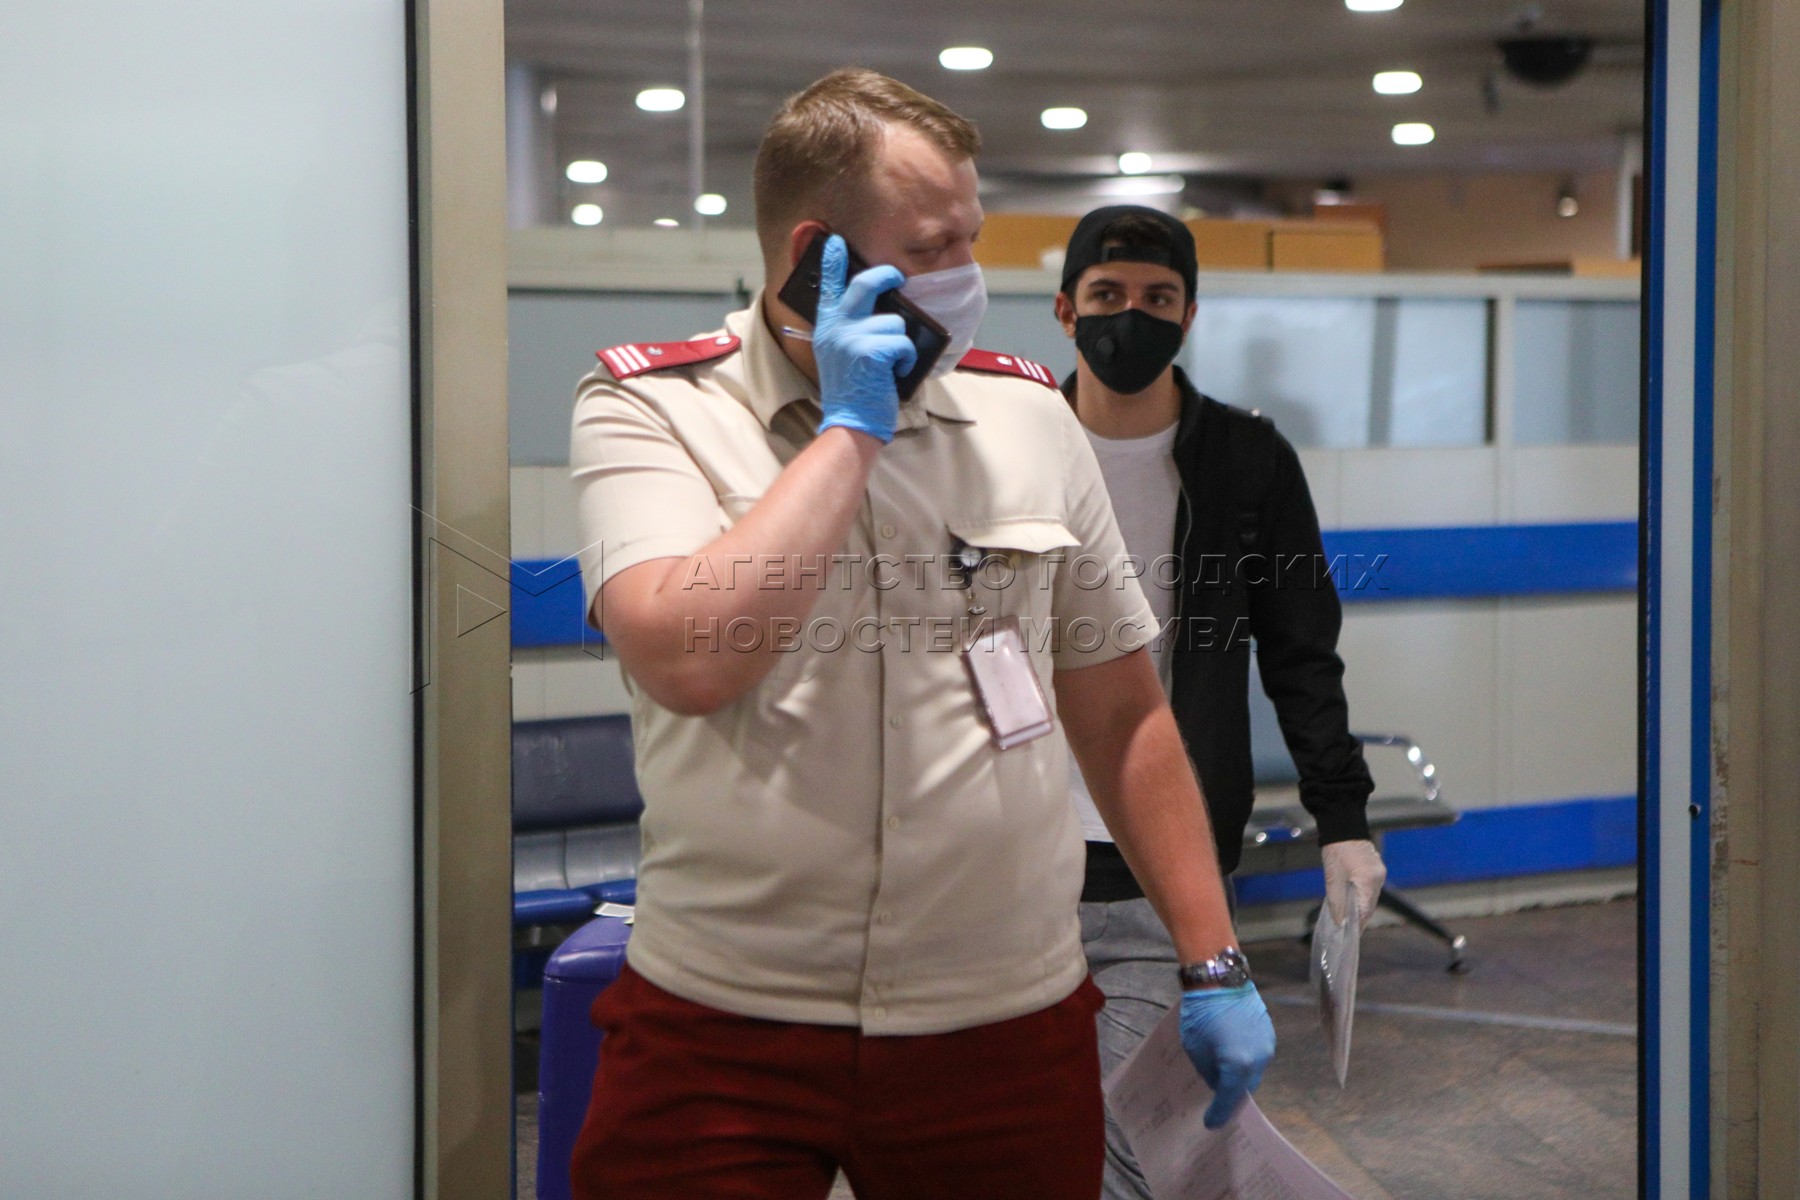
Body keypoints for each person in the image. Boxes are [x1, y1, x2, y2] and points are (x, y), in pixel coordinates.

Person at [565, 72, 1276, 1200]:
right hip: (727, 1013)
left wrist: (1214, 957)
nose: (965, 272)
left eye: (970, 237)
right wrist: (851, 430)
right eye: (932, 246)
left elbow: (1120, 713)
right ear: (815, 255)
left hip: (1000, 1014)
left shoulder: (1027, 415)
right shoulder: (654, 411)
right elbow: (690, 659)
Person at [1053, 204, 1389, 1200]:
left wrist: (1343, 819)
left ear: (1189, 315)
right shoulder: (1017, 449)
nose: (1132, 316)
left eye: (1159, 298)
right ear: (1066, 308)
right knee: (1035, 1131)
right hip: (1012, 852)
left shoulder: (1246, 460)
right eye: (1108, 294)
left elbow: (1301, 651)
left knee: (1138, 1135)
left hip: (1169, 852)